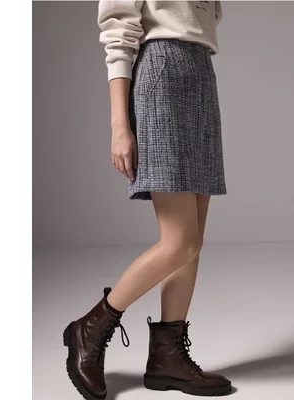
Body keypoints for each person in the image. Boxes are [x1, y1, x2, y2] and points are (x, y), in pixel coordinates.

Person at [63, 1, 230, 399]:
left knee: (192, 243)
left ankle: (167, 358)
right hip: (163, 72)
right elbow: (118, 33)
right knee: (179, 242)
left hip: (201, 73)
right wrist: (120, 125)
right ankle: (89, 329)